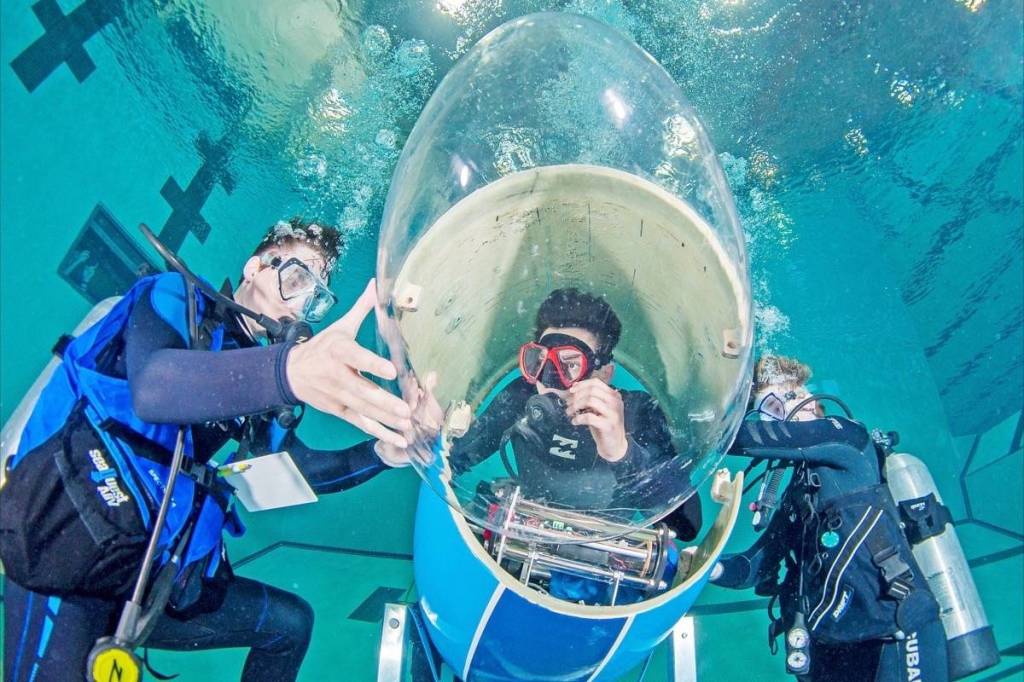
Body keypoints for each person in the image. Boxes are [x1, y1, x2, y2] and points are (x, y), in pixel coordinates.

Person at [1, 218, 414, 682]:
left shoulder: (262, 371)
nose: (299, 305)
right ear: (255, 267)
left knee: (289, 624)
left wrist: (383, 453)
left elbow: (300, 470)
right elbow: (155, 387)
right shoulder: (176, 296)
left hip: (147, 573)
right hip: (70, 545)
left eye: (315, 298)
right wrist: (287, 374)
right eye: (297, 280)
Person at [711, 355, 948, 682]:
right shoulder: (798, 495)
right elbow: (755, 565)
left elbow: (764, 439)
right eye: (768, 409)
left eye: (786, 401)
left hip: (893, 632)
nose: (780, 416)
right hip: (829, 651)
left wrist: (695, 425)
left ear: (809, 399)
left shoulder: (849, 439)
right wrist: (704, 566)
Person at [444, 287, 702, 541]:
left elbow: (687, 525)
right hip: (526, 531)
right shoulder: (521, 398)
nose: (550, 381)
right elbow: (453, 459)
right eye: (540, 363)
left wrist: (622, 452)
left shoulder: (638, 412)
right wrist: (432, 438)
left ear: (604, 373)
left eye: (570, 365)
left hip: (606, 546)